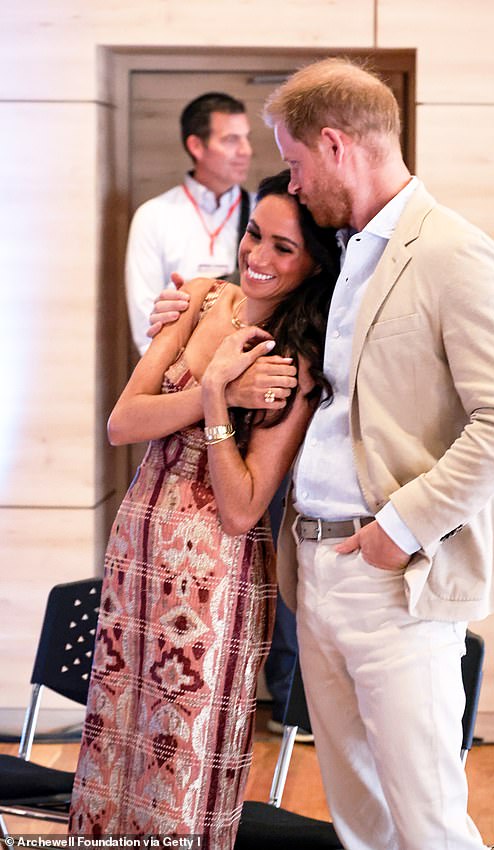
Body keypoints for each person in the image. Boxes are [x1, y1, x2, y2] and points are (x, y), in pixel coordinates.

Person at [150, 58, 494, 850]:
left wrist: (400, 528)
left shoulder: (454, 252)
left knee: (427, 821)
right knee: (359, 823)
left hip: (393, 573)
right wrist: (194, 304)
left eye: (295, 162)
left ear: (334, 145)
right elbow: (262, 293)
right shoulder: (342, 248)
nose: (291, 181)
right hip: (316, 568)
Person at [69, 171, 339, 848]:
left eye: (284, 248)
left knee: (178, 770)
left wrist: (216, 401)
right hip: (138, 547)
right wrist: (214, 386)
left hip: (216, 577)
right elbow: (124, 422)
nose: (258, 256)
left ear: (312, 264)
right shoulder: (198, 296)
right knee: (112, 750)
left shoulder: (299, 357)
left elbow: (244, 508)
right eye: (255, 234)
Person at [125, 91, 253, 356]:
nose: (246, 151)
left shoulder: (262, 212)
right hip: (174, 377)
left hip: (249, 369)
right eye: (231, 140)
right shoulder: (154, 215)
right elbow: (145, 322)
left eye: (246, 138)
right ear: (196, 146)